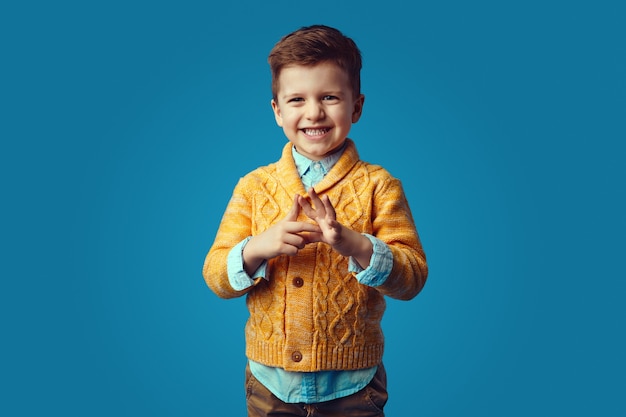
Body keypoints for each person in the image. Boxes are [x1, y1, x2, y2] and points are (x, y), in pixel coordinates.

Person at [203, 24, 428, 417]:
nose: (314, 112)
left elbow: (412, 278)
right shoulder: (254, 187)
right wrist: (259, 247)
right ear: (276, 110)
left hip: (354, 386)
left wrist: (356, 246)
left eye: (329, 97)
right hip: (270, 383)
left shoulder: (380, 186)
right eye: (296, 99)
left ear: (356, 106)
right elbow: (215, 276)